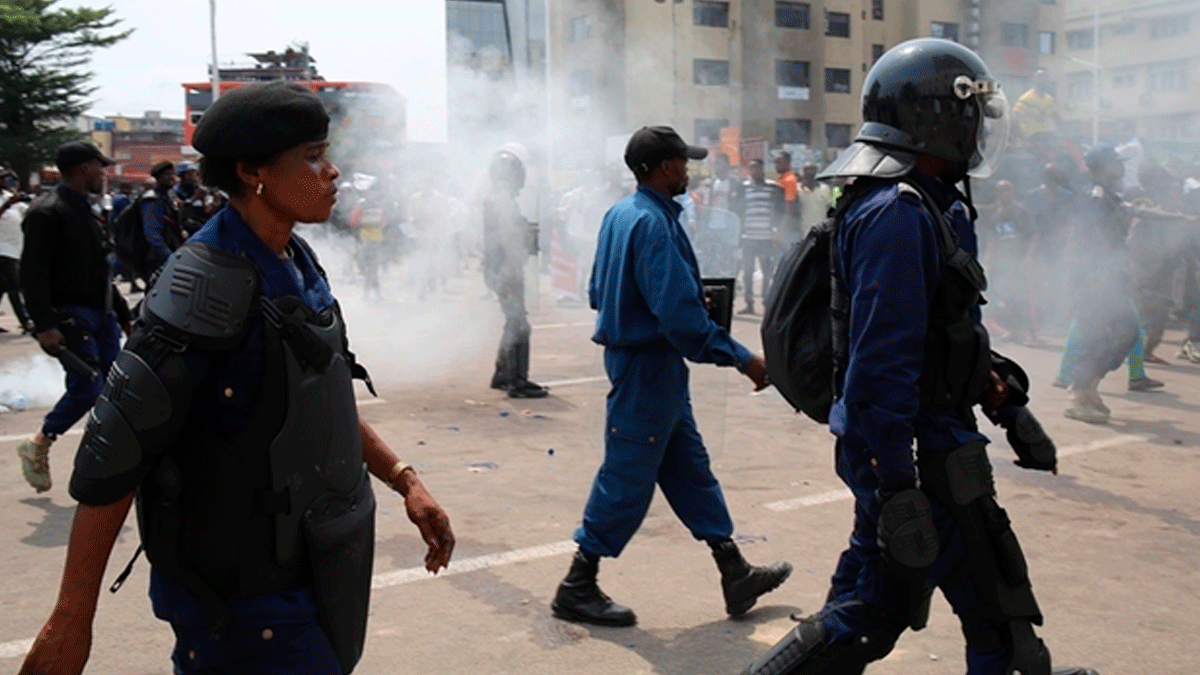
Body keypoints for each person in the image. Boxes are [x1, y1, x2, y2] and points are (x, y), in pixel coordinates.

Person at [18, 82, 455, 675]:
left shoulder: (294, 260)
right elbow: (115, 448)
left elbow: (314, 400)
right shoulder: (205, 286)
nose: (331, 172)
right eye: (311, 156)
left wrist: (404, 479)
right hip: (238, 605)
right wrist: (72, 616)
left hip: (305, 577)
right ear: (254, 173)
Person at [742, 39, 1095, 675]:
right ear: (937, 116)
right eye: (970, 112)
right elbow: (881, 360)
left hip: (936, 437)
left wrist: (1001, 397)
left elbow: (944, 328)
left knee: (991, 600)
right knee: (874, 614)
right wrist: (895, 483)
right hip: (913, 447)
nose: (979, 128)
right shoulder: (896, 213)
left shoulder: (927, 199)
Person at [551, 126, 791, 628]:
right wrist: (744, 358)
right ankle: (577, 584)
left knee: (690, 469)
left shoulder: (622, 214)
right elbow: (681, 321)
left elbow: (599, 290)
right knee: (626, 474)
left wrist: (664, 301)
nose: (690, 170)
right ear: (664, 169)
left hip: (646, 363)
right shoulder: (655, 225)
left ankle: (733, 569)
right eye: (684, 163)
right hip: (647, 367)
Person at [14, 141, 133, 493]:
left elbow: (100, 270)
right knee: (87, 387)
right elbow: (32, 275)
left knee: (114, 390)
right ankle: (38, 443)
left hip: (103, 314)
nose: (105, 174)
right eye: (101, 167)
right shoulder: (46, 213)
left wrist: (122, 313)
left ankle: (107, 459)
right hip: (71, 315)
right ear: (84, 169)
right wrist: (45, 325)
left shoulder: (88, 212)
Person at [483, 146, 548, 398]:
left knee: (514, 321)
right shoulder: (502, 202)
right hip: (505, 270)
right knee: (519, 325)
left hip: (500, 269)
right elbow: (508, 239)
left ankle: (502, 374)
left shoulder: (498, 200)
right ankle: (516, 381)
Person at [735, 158, 783, 315]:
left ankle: (767, 302)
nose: (753, 171)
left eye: (756, 168)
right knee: (747, 272)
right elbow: (739, 211)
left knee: (767, 272)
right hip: (748, 237)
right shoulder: (743, 188)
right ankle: (749, 303)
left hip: (767, 237)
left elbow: (779, 211)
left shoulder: (773, 187)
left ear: (762, 169)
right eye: (751, 168)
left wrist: (777, 232)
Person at [0, 170, 34, 333]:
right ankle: (26, 321)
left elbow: (29, 213)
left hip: (14, 250)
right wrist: (7, 205)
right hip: (4, 251)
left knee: (1, 287)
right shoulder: (7, 201)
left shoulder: (10, 197)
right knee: (15, 286)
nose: (5, 182)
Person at [139, 160, 185, 274]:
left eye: (172, 174)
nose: (171, 177)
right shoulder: (152, 199)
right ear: (158, 178)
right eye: (167, 174)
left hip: (172, 251)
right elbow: (152, 233)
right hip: (158, 257)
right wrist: (169, 256)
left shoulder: (169, 196)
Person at [173, 160, 212, 236]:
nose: (194, 177)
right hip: (187, 226)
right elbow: (179, 211)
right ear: (182, 176)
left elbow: (207, 209)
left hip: (203, 223)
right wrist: (195, 198)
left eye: (195, 174)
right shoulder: (176, 191)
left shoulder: (200, 188)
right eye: (189, 174)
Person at [796, 162, 832, 239]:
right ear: (802, 172)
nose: (809, 172)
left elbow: (830, 209)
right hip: (803, 236)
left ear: (816, 171)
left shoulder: (825, 189)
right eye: (806, 170)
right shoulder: (797, 190)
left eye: (811, 169)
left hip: (822, 234)